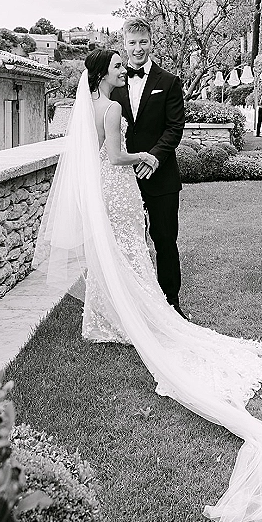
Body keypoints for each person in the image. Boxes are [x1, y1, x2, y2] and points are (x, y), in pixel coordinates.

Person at [33, 47, 262, 522]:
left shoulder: (96, 105)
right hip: (120, 181)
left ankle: (110, 318)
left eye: (127, 66)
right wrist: (142, 154)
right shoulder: (109, 107)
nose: (124, 72)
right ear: (104, 74)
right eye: (118, 67)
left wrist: (144, 156)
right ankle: (127, 317)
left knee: (127, 256)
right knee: (130, 254)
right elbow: (112, 155)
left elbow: (105, 154)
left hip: (115, 187)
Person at [111, 17, 187, 318]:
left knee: (165, 240)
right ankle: (135, 305)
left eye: (143, 42)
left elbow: (174, 128)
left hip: (162, 177)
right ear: (124, 44)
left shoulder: (168, 82)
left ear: (151, 42)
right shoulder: (113, 84)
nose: (138, 48)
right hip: (123, 178)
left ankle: (171, 303)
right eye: (132, 42)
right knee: (129, 241)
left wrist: (153, 157)